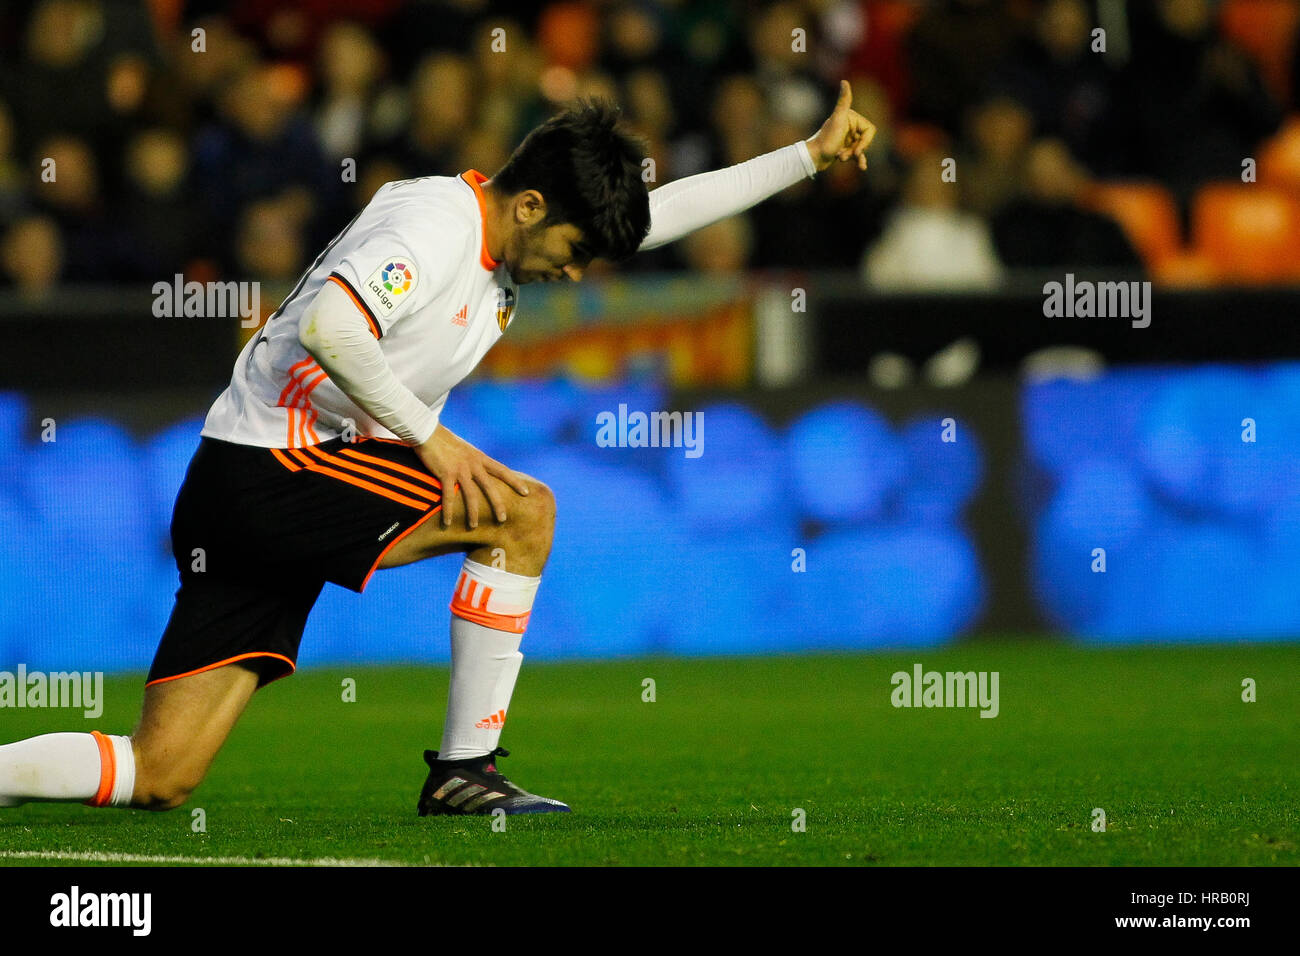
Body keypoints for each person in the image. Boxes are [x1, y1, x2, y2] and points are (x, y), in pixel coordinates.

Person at [0, 82, 875, 817]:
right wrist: (434, 441)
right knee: (521, 514)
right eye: (572, 253)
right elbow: (331, 325)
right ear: (530, 205)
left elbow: (659, 215)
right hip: (271, 469)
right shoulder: (434, 224)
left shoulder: (509, 236)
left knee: (162, 773)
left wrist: (807, 155)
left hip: (259, 477)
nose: (573, 275)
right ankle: (465, 772)